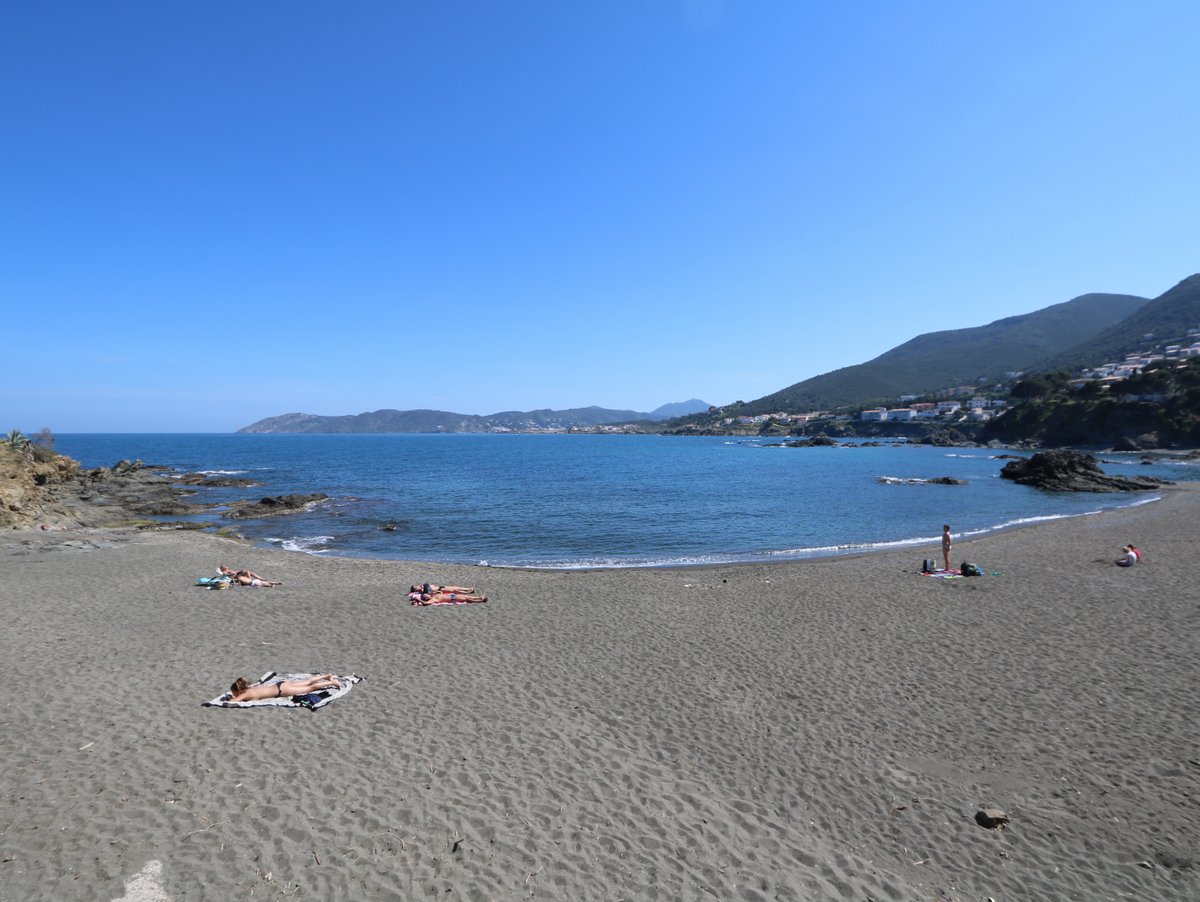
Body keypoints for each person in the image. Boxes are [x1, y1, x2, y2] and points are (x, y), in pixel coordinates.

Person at [225, 674, 342, 702]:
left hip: (282, 691)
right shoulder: (248, 689)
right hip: (280, 684)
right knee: (306, 682)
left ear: (239, 691)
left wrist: (230, 698)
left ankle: (333, 683)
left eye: (234, 693)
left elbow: (232, 702)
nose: (234, 695)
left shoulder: (245, 694)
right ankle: (326, 676)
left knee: (310, 688)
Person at [408, 589, 488, 605]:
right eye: (426, 595)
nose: (427, 594)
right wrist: (419, 599)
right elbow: (425, 603)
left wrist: (438, 592)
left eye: (426, 594)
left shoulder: (433, 595)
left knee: (466, 596)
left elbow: (441, 592)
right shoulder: (432, 599)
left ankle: (480, 597)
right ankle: (481, 600)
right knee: (467, 599)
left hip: (452, 596)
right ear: (427, 598)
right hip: (452, 598)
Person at [410, 583, 477, 595]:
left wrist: (422, 586)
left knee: (455, 587)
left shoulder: (423, 587)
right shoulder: (423, 591)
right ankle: (469, 592)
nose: (417, 586)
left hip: (441, 586)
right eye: (416, 587)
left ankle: (469, 588)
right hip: (440, 589)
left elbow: (426, 584)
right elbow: (430, 592)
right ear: (416, 589)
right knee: (455, 590)